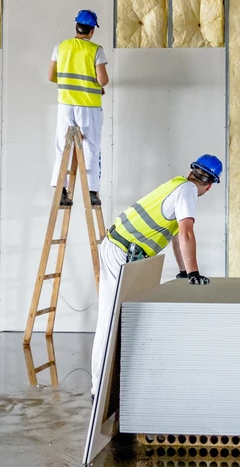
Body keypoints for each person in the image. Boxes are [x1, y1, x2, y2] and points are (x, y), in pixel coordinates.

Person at [90, 154, 223, 396]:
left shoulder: (177, 184)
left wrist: (184, 270)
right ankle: (98, 390)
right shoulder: (188, 191)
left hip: (126, 250)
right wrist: (194, 272)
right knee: (109, 320)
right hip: (120, 251)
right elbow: (186, 233)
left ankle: (115, 383)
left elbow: (174, 235)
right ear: (211, 185)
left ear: (192, 169)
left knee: (126, 318)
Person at [49, 9, 108, 207]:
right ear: (92, 31)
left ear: (76, 27)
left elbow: (51, 76)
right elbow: (103, 80)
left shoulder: (61, 46)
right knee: (91, 147)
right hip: (88, 107)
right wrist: (95, 88)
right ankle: (91, 191)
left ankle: (61, 190)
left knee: (62, 147)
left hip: (65, 105)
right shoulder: (95, 50)